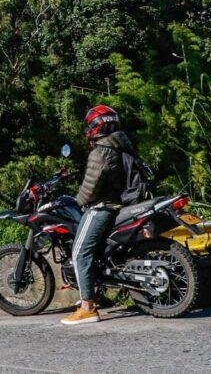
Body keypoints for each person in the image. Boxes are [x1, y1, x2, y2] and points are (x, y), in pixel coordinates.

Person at [60, 104, 136, 326]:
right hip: (120, 205)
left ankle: (87, 307)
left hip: (102, 207)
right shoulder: (121, 145)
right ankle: (95, 293)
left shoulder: (101, 150)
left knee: (80, 252)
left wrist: (77, 202)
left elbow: (90, 187)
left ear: (96, 126)